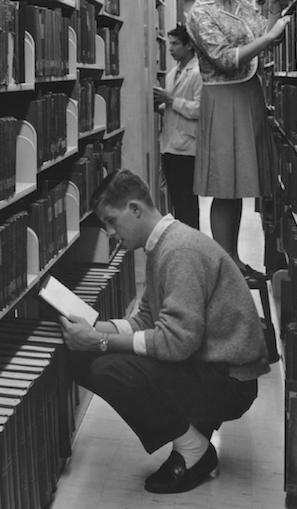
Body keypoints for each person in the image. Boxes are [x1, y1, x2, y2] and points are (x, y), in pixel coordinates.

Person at [58, 168, 269, 494]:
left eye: (112, 221)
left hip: (230, 381)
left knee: (108, 368)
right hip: (210, 364)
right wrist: (93, 329)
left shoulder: (178, 251)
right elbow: (146, 319)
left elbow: (177, 342)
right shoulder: (162, 246)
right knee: (82, 355)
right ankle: (193, 434)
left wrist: (100, 341)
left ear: (136, 210)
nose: (112, 233)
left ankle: (194, 451)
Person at [184, 0, 290, 285]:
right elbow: (226, 59)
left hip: (248, 94)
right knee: (224, 184)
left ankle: (234, 260)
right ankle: (225, 262)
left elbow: (264, 31)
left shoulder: (241, 6)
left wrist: (272, 10)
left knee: (240, 182)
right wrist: (269, 36)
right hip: (224, 97)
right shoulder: (199, 13)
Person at [153, 24, 202, 229]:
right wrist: (162, 106)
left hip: (186, 148)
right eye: (169, 43)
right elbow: (175, 106)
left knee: (187, 204)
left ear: (189, 45)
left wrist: (171, 100)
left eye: (175, 44)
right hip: (170, 146)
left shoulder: (199, 72)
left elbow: (200, 110)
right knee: (177, 202)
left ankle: (192, 247)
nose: (171, 48)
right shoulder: (174, 72)